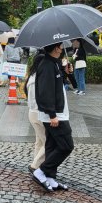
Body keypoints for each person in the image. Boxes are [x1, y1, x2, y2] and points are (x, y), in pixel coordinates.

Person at [32, 42, 73, 192]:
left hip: (58, 113)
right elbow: (45, 92)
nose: (62, 49)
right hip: (55, 115)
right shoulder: (46, 65)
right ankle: (41, 171)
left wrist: (67, 72)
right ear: (56, 48)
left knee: (52, 146)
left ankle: (50, 177)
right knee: (66, 146)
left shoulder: (54, 64)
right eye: (61, 47)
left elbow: (61, 85)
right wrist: (52, 114)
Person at [26, 52, 46, 173]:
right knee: (49, 143)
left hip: (33, 112)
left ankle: (37, 165)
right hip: (39, 113)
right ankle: (35, 165)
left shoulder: (32, 76)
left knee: (39, 141)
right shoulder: (39, 78)